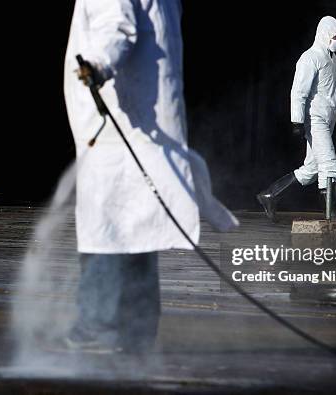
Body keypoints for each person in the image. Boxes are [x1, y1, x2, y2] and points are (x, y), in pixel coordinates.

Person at [63, 0, 238, 353]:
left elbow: (117, 26)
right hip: (142, 120)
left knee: (109, 226)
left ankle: (100, 324)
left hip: (121, 124)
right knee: (138, 228)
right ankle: (136, 332)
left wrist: (97, 64)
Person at [257, 16, 336, 222]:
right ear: (324, 35)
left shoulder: (332, 59)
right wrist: (297, 121)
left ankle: (270, 195)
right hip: (314, 119)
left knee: (313, 168)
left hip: (328, 117)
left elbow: (334, 88)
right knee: (329, 164)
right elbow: (298, 92)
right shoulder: (310, 58)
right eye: (335, 36)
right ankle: (331, 215)